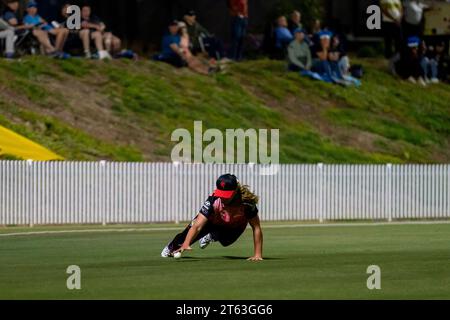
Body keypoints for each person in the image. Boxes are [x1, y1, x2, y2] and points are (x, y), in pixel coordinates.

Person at [161, 174, 264, 261]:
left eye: (226, 194)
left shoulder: (247, 204)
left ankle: (212, 235)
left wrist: (258, 254)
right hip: (211, 220)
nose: (222, 197)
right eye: (221, 193)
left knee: (227, 241)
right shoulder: (213, 199)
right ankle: (171, 247)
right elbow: (197, 226)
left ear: (236, 190)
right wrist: (186, 244)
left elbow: (256, 227)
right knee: (184, 237)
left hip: (233, 225)